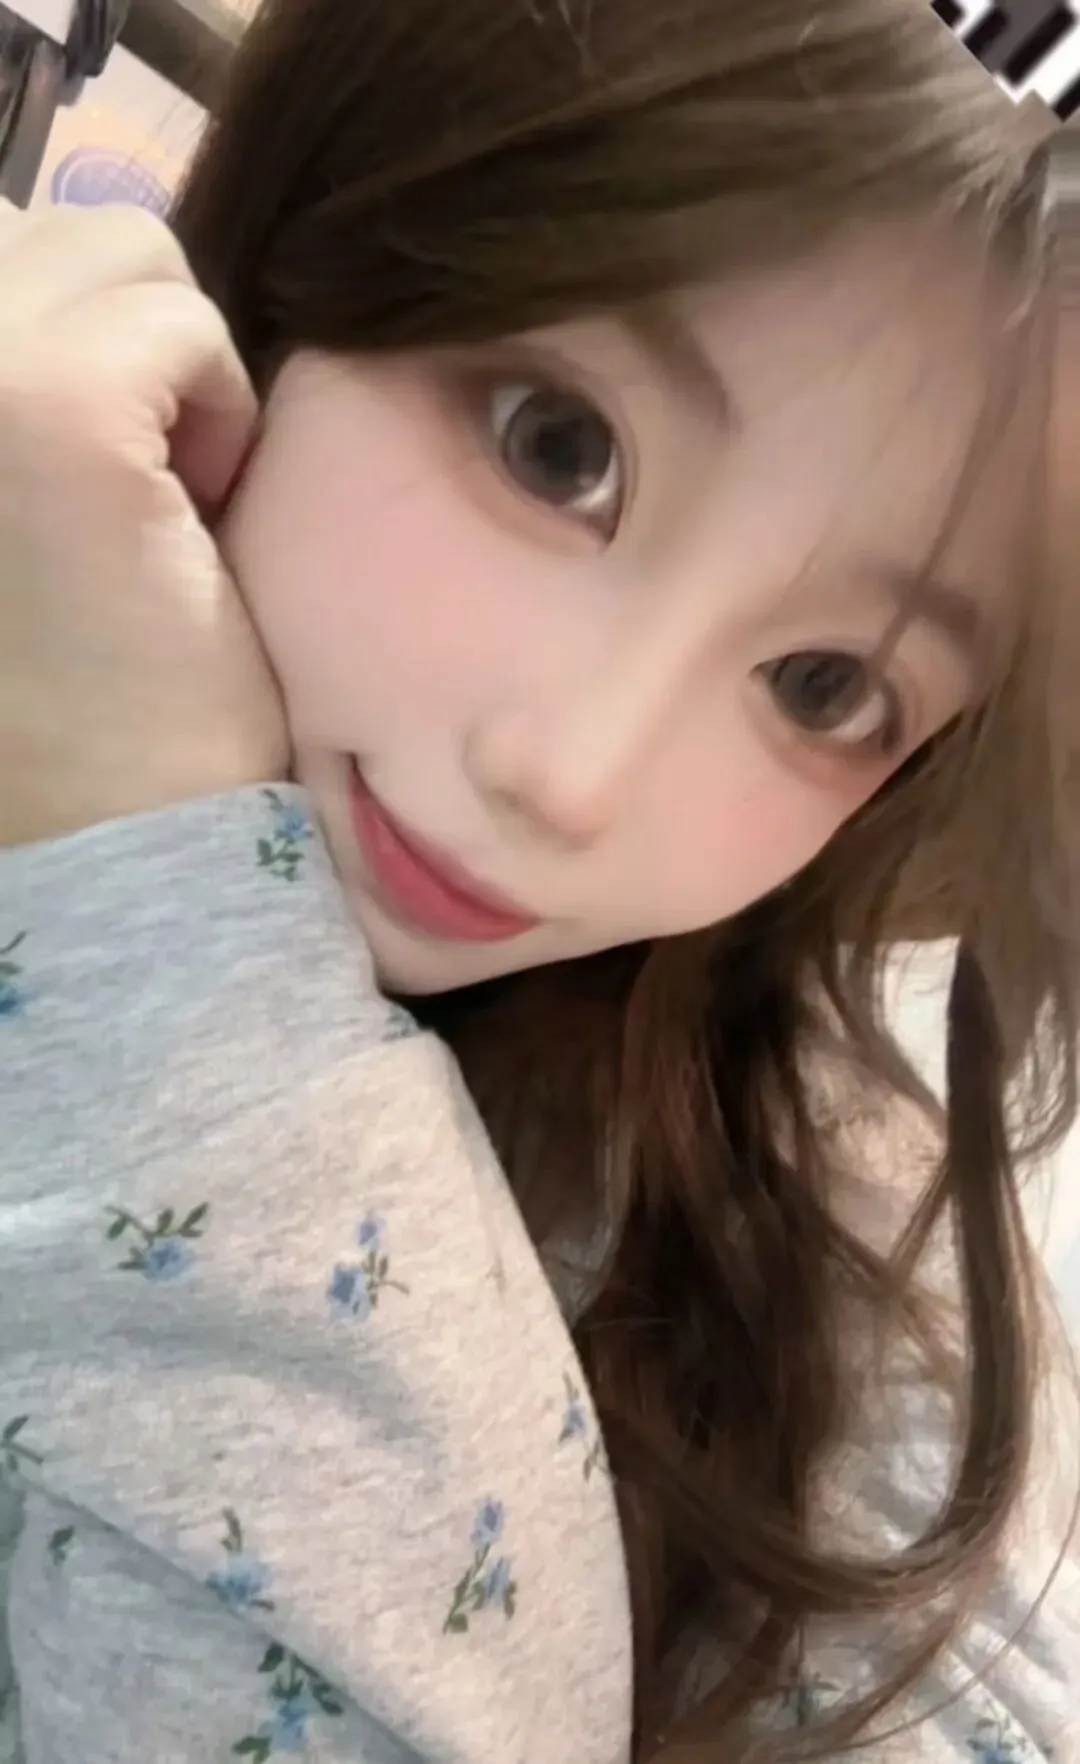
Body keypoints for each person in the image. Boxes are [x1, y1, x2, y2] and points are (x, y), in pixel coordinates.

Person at [1, 0, 1079, 1759]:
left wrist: (191, 981)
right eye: (554, 446)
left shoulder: (816, 1356)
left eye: (825, 688)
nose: (572, 776)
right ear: (309, 250)